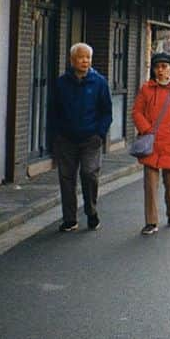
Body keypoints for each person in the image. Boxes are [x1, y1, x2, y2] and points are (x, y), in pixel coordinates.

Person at [48, 43, 112, 233]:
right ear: (72, 60)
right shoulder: (61, 83)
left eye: (88, 58)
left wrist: (100, 133)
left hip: (90, 139)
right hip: (66, 139)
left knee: (89, 173)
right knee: (66, 179)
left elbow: (106, 111)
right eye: (81, 57)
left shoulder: (99, 82)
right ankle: (70, 219)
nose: (85, 61)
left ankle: (91, 211)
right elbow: (53, 110)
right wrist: (56, 134)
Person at [132, 52, 170, 236]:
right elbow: (137, 112)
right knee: (150, 186)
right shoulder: (146, 89)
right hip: (151, 144)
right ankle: (151, 221)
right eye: (157, 67)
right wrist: (146, 128)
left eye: (164, 66)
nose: (160, 70)